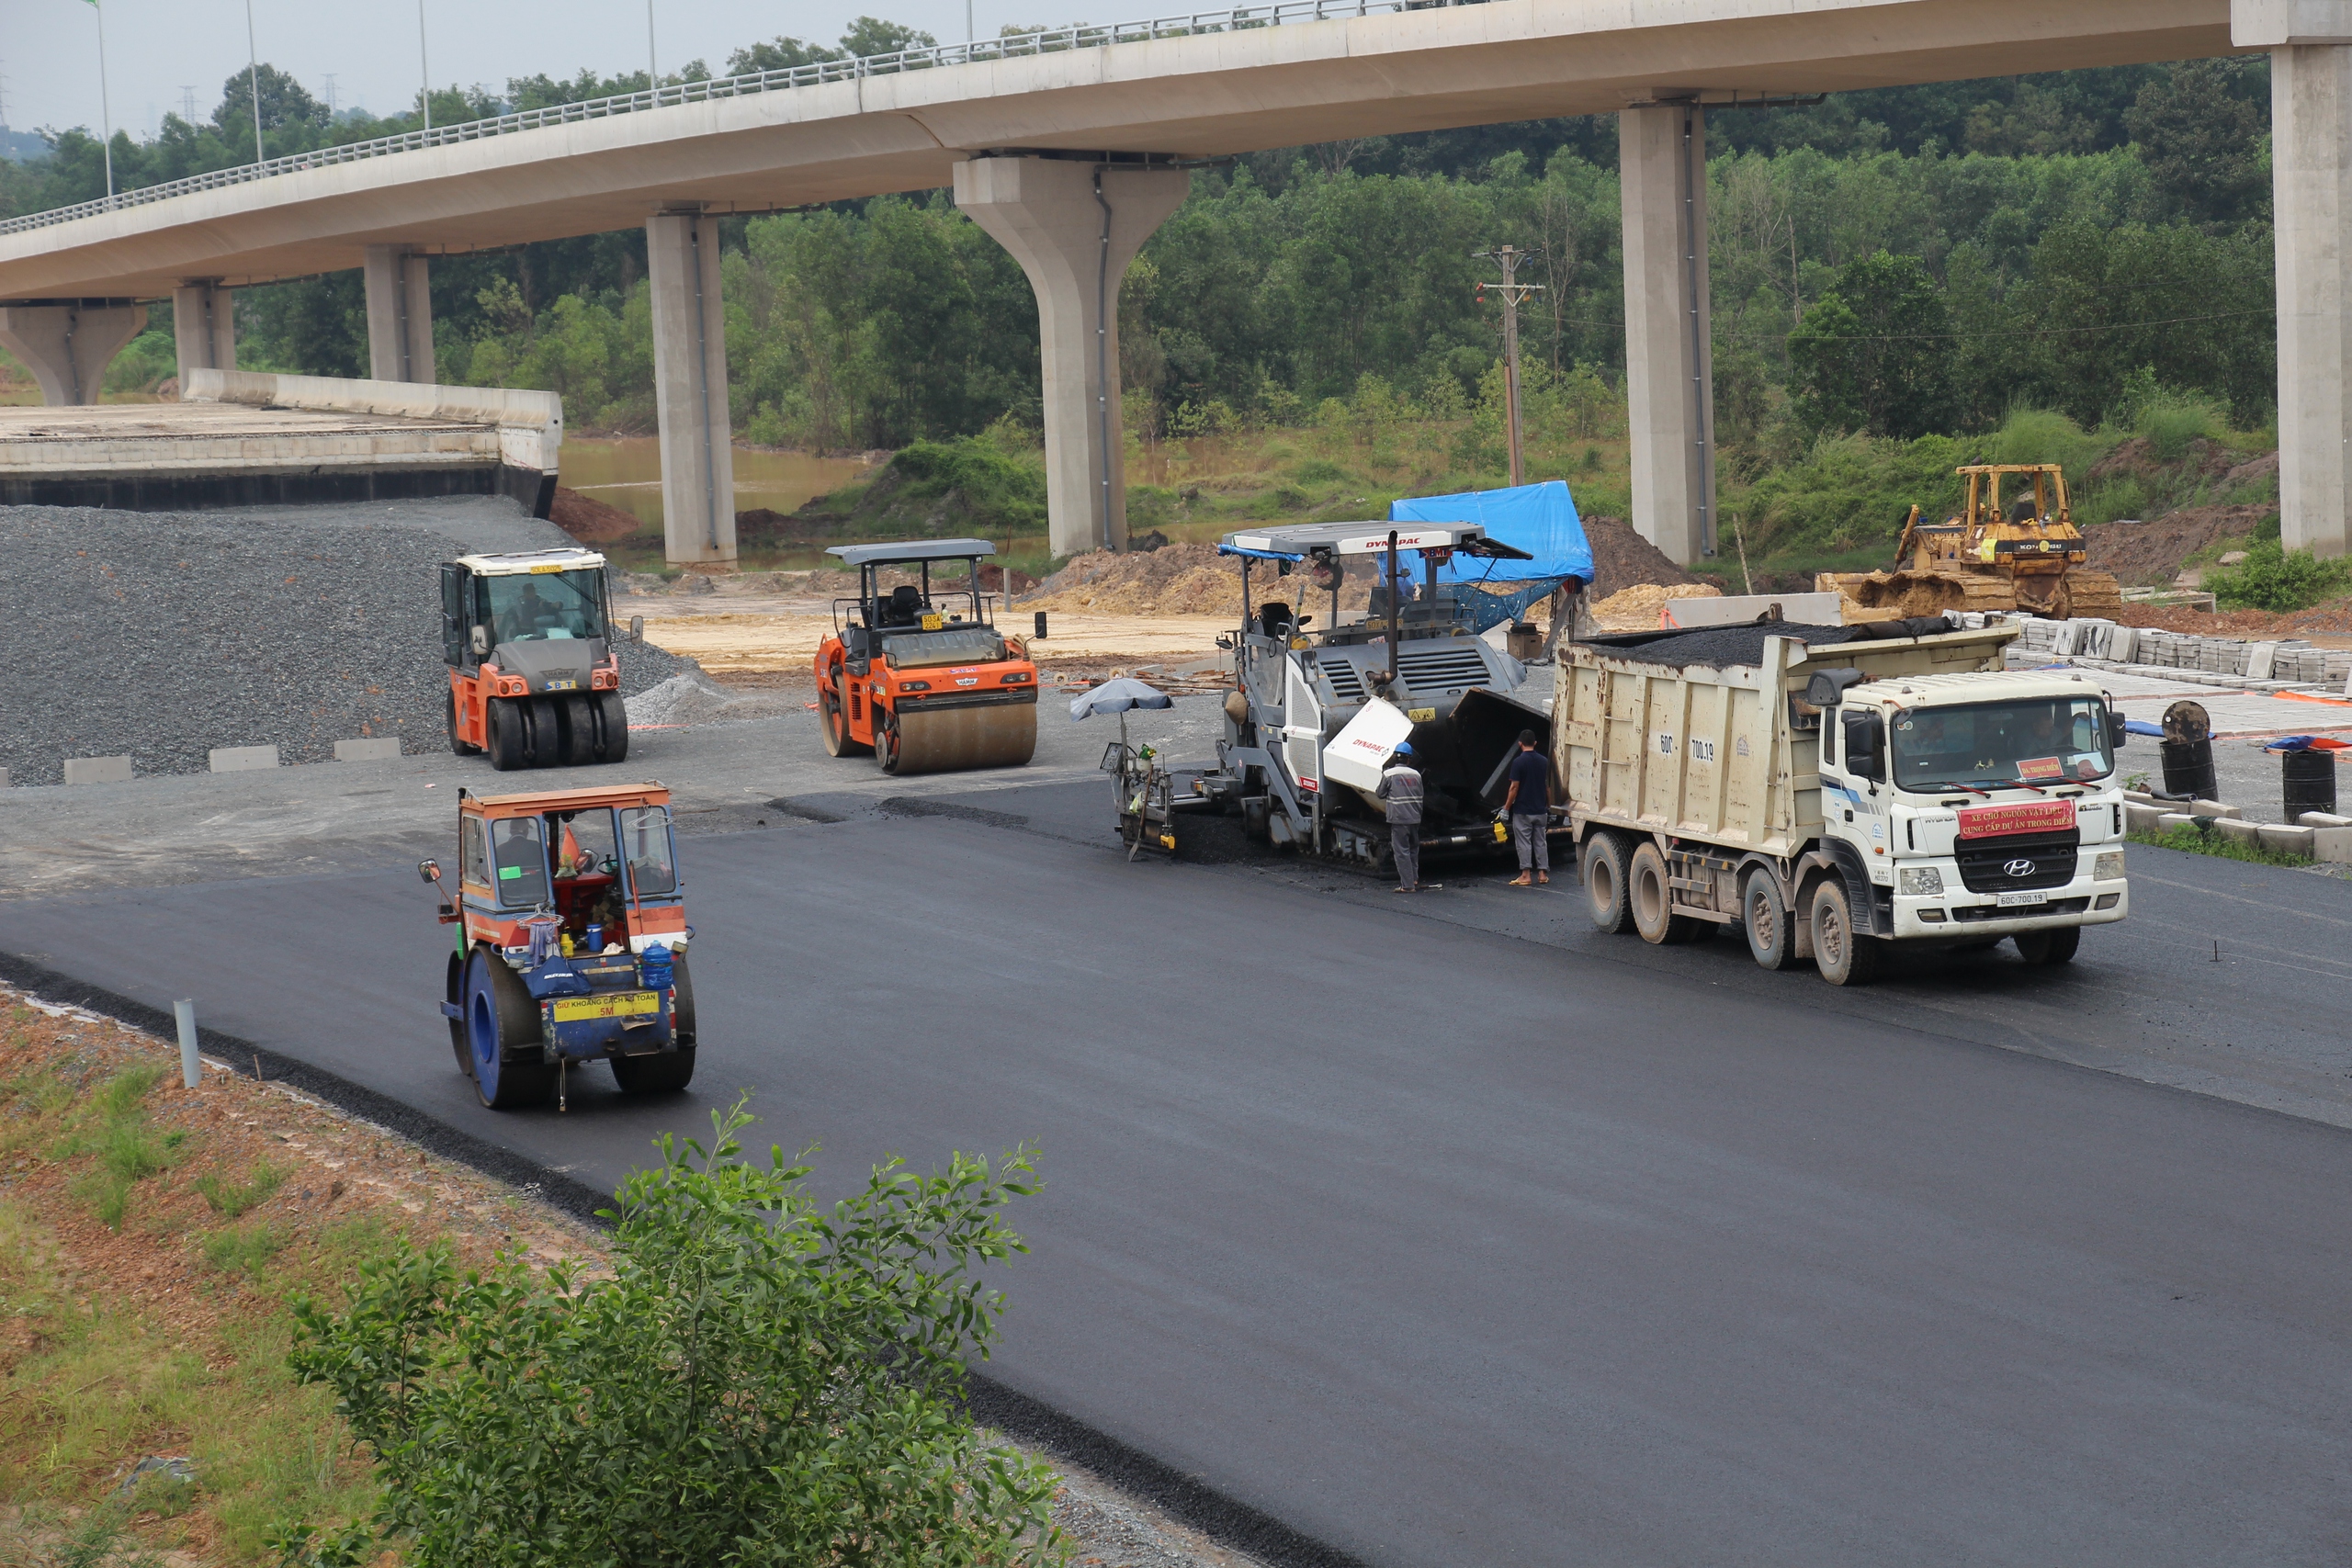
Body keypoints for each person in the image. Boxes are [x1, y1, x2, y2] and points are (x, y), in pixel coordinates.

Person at [1501, 729, 1552, 886]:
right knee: (1540, 841)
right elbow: (1548, 787)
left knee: (1524, 842)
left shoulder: (1518, 762)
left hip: (1523, 810)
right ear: (1535, 743)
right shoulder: (1544, 761)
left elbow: (1514, 787)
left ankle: (1525, 875)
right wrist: (1549, 806)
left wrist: (1506, 808)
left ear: (1520, 744)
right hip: (1541, 810)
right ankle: (1543, 874)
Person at [1375, 741, 1425, 893]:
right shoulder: (1416, 775)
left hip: (1399, 819)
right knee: (1413, 850)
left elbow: (1380, 793)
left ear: (1394, 758)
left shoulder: (1388, 774)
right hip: (1415, 818)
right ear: (1409, 759)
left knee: (1401, 851)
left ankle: (1407, 885)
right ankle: (1414, 879)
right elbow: (1421, 795)